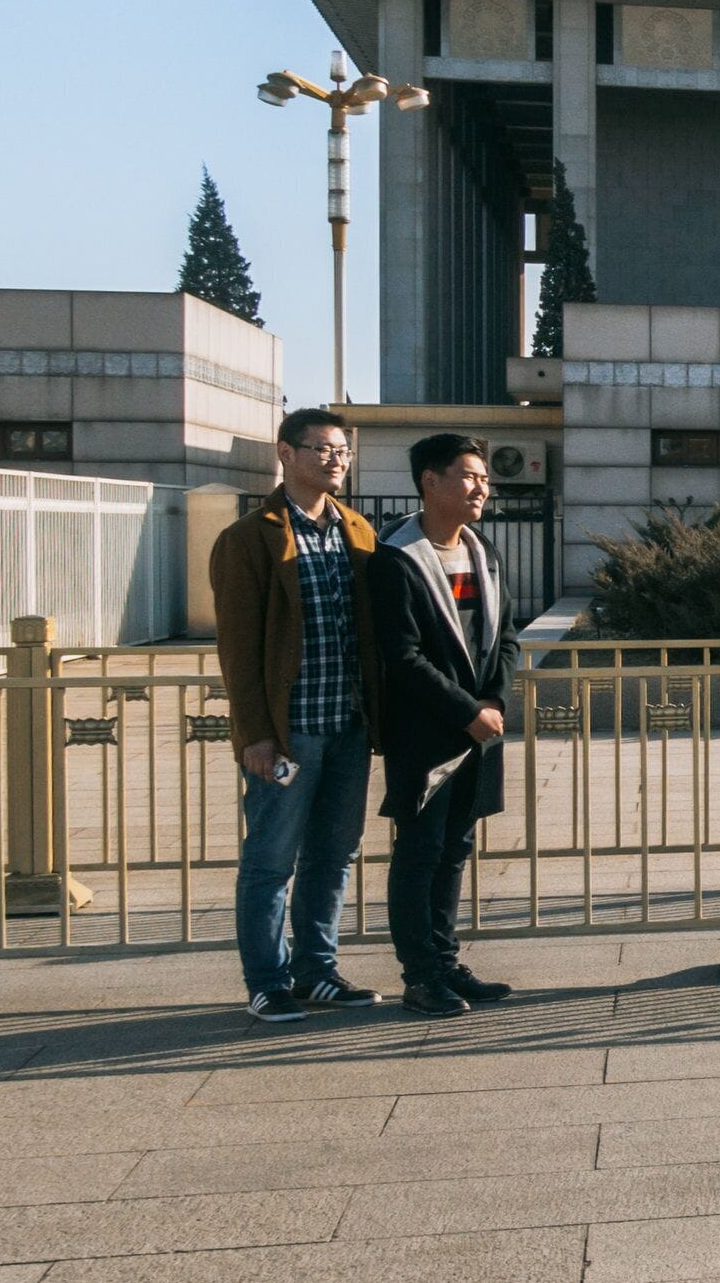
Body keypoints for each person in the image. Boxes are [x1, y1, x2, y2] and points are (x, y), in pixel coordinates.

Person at [205, 407, 381, 1024]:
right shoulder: (249, 539)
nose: (337, 460)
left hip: (349, 726)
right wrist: (254, 735)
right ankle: (267, 981)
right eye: (324, 449)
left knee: (334, 855)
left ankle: (318, 971)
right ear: (286, 454)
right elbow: (238, 651)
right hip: (289, 731)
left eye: (344, 451)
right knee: (272, 859)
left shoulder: (358, 531)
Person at [364, 432, 520, 1017]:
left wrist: (495, 703)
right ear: (430, 481)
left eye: (484, 477)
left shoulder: (484, 552)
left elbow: (505, 637)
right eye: (470, 476)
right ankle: (421, 975)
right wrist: (466, 710)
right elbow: (401, 657)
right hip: (426, 732)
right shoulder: (397, 558)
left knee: (455, 849)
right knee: (420, 851)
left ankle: (447, 962)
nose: (483, 486)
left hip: (480, 726)